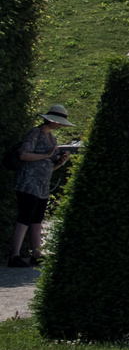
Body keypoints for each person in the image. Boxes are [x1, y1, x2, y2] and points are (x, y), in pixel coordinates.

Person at [11, 105, 74, 268]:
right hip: (28, 182)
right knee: (25, 216)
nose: (59, 125)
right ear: (50, 120)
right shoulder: (35, 133)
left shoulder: (52, 138)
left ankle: (36, 253)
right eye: (58, 122)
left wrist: (59, 163)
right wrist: (46, 155)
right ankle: (15, 255)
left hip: (42, 185)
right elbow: (23, 154)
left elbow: (46, 164)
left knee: (37, 218)